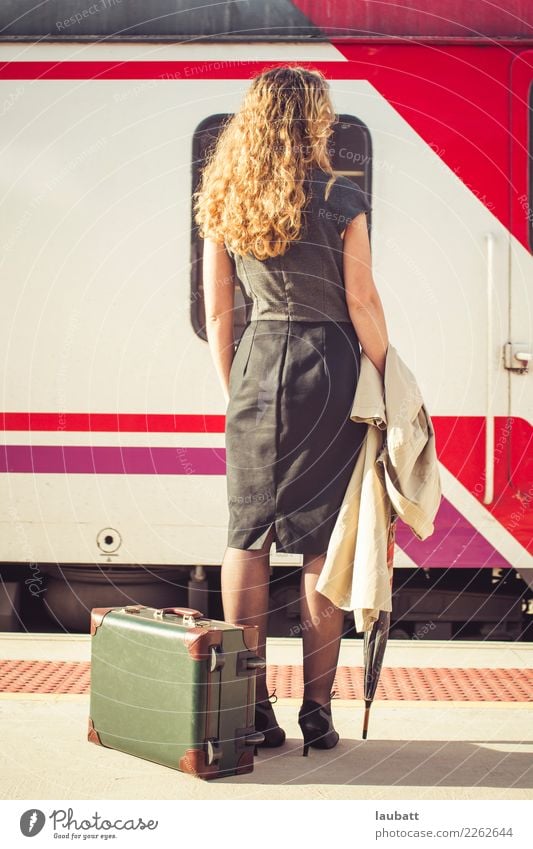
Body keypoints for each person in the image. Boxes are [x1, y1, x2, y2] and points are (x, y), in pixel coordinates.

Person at [193, 65, 389, 756]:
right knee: (318, 543)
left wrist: (235, 385)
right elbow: (360, 300)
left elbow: (221, 311)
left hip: (257, 363)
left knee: (247, 536)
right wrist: (387, 373)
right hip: (329, 367)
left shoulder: (223, 196)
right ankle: (315, 710)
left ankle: (249, 706)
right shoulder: (340, 195)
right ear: (311, 118)